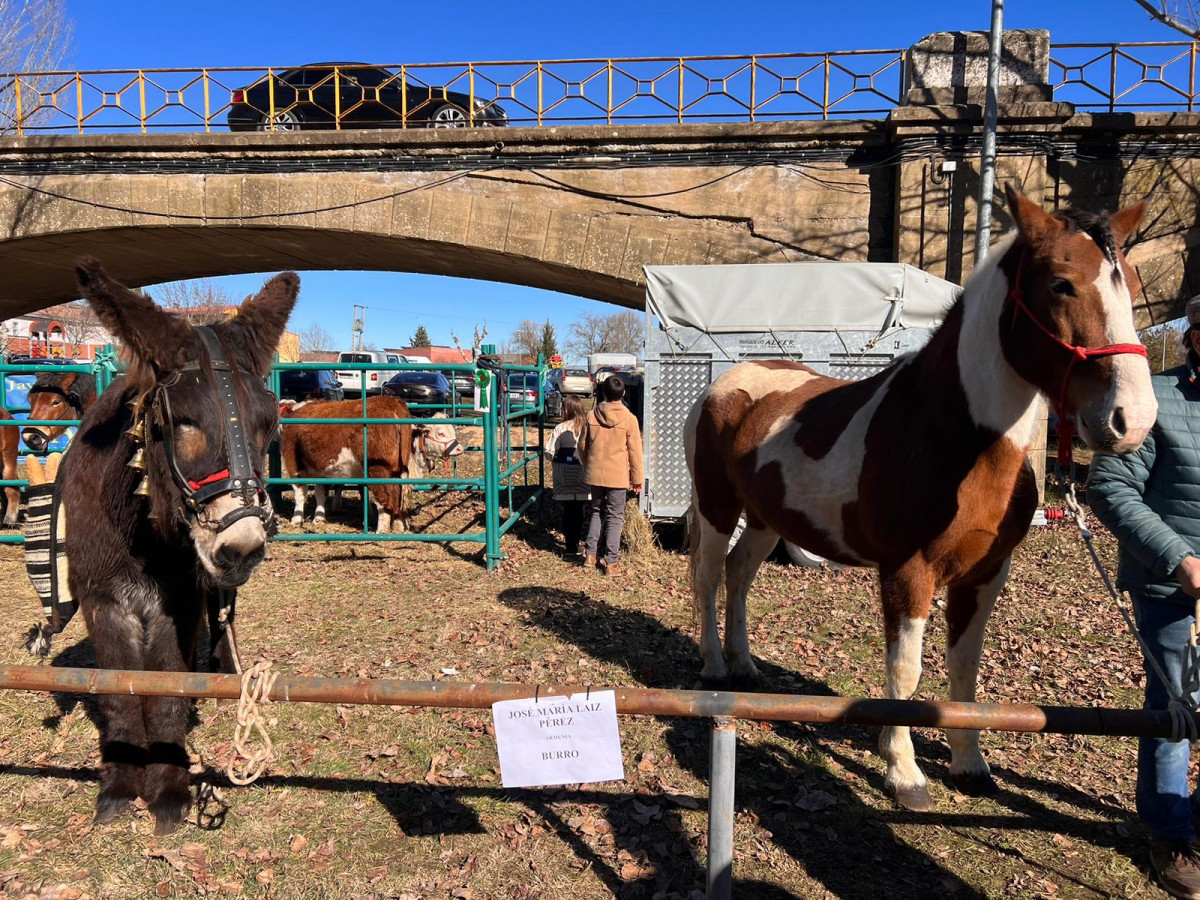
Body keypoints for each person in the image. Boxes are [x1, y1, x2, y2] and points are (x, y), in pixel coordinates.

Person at [1089, 296, 1200, 899]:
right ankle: (1169, 833)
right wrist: (1179, 560)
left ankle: (1193, 813)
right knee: (1176, 713)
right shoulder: (1157, 400)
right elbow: (1109, 486)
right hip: (1173, 590)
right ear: (1198, 340)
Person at [577, 374, 643, 576]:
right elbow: (635, 452)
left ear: (603, 393)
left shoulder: (591, 415)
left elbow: (582, 445)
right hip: (618, 475)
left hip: (595, 473)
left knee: (596, 511)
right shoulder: (630, 419)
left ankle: (590, 554)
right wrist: (637, 479)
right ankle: (611, 562)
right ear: (623, 393)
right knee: (615, 516)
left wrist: (588, 463)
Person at [545, 394, 590, 558]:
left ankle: (570, 545)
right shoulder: (587, 426)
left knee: (567, 510)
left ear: (566, 409)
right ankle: (578, 542)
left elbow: (549, 452)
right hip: (583, 474)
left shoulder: (560, 428)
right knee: (580, 509)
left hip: (563, 476)